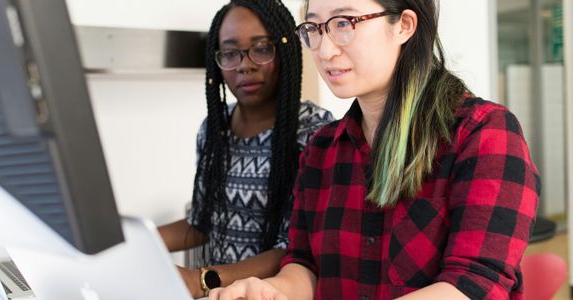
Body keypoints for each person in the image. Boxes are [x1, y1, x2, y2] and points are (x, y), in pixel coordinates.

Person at [210, 0, 540, 299]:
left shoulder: (483, 132)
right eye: (314, 28)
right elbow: (305, 265)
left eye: (344, 24)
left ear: (404, 26)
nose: (325, 51)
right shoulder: (322, 148)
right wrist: (270, 290)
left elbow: (474, 284)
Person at [157, 0, 334, 298]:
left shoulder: (315, 131)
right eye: (229, 53)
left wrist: (202, 279)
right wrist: (133, 242)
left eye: (261, 48)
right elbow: (200, 223)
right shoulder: (214, 129)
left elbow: (295, 248)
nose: (244, 64)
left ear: (285, 51)